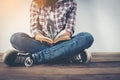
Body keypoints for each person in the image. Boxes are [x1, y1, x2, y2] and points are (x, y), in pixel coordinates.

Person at [3, 0, 94, 67]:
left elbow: (69, 28)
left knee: (87, 37)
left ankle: (32, 58)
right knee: (16, 38)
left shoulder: (71, 3)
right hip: (41, 43)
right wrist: (39, 36)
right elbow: (34, 28)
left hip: (63, 43)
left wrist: (66, 35)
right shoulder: (36, 3)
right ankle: (68, 56)